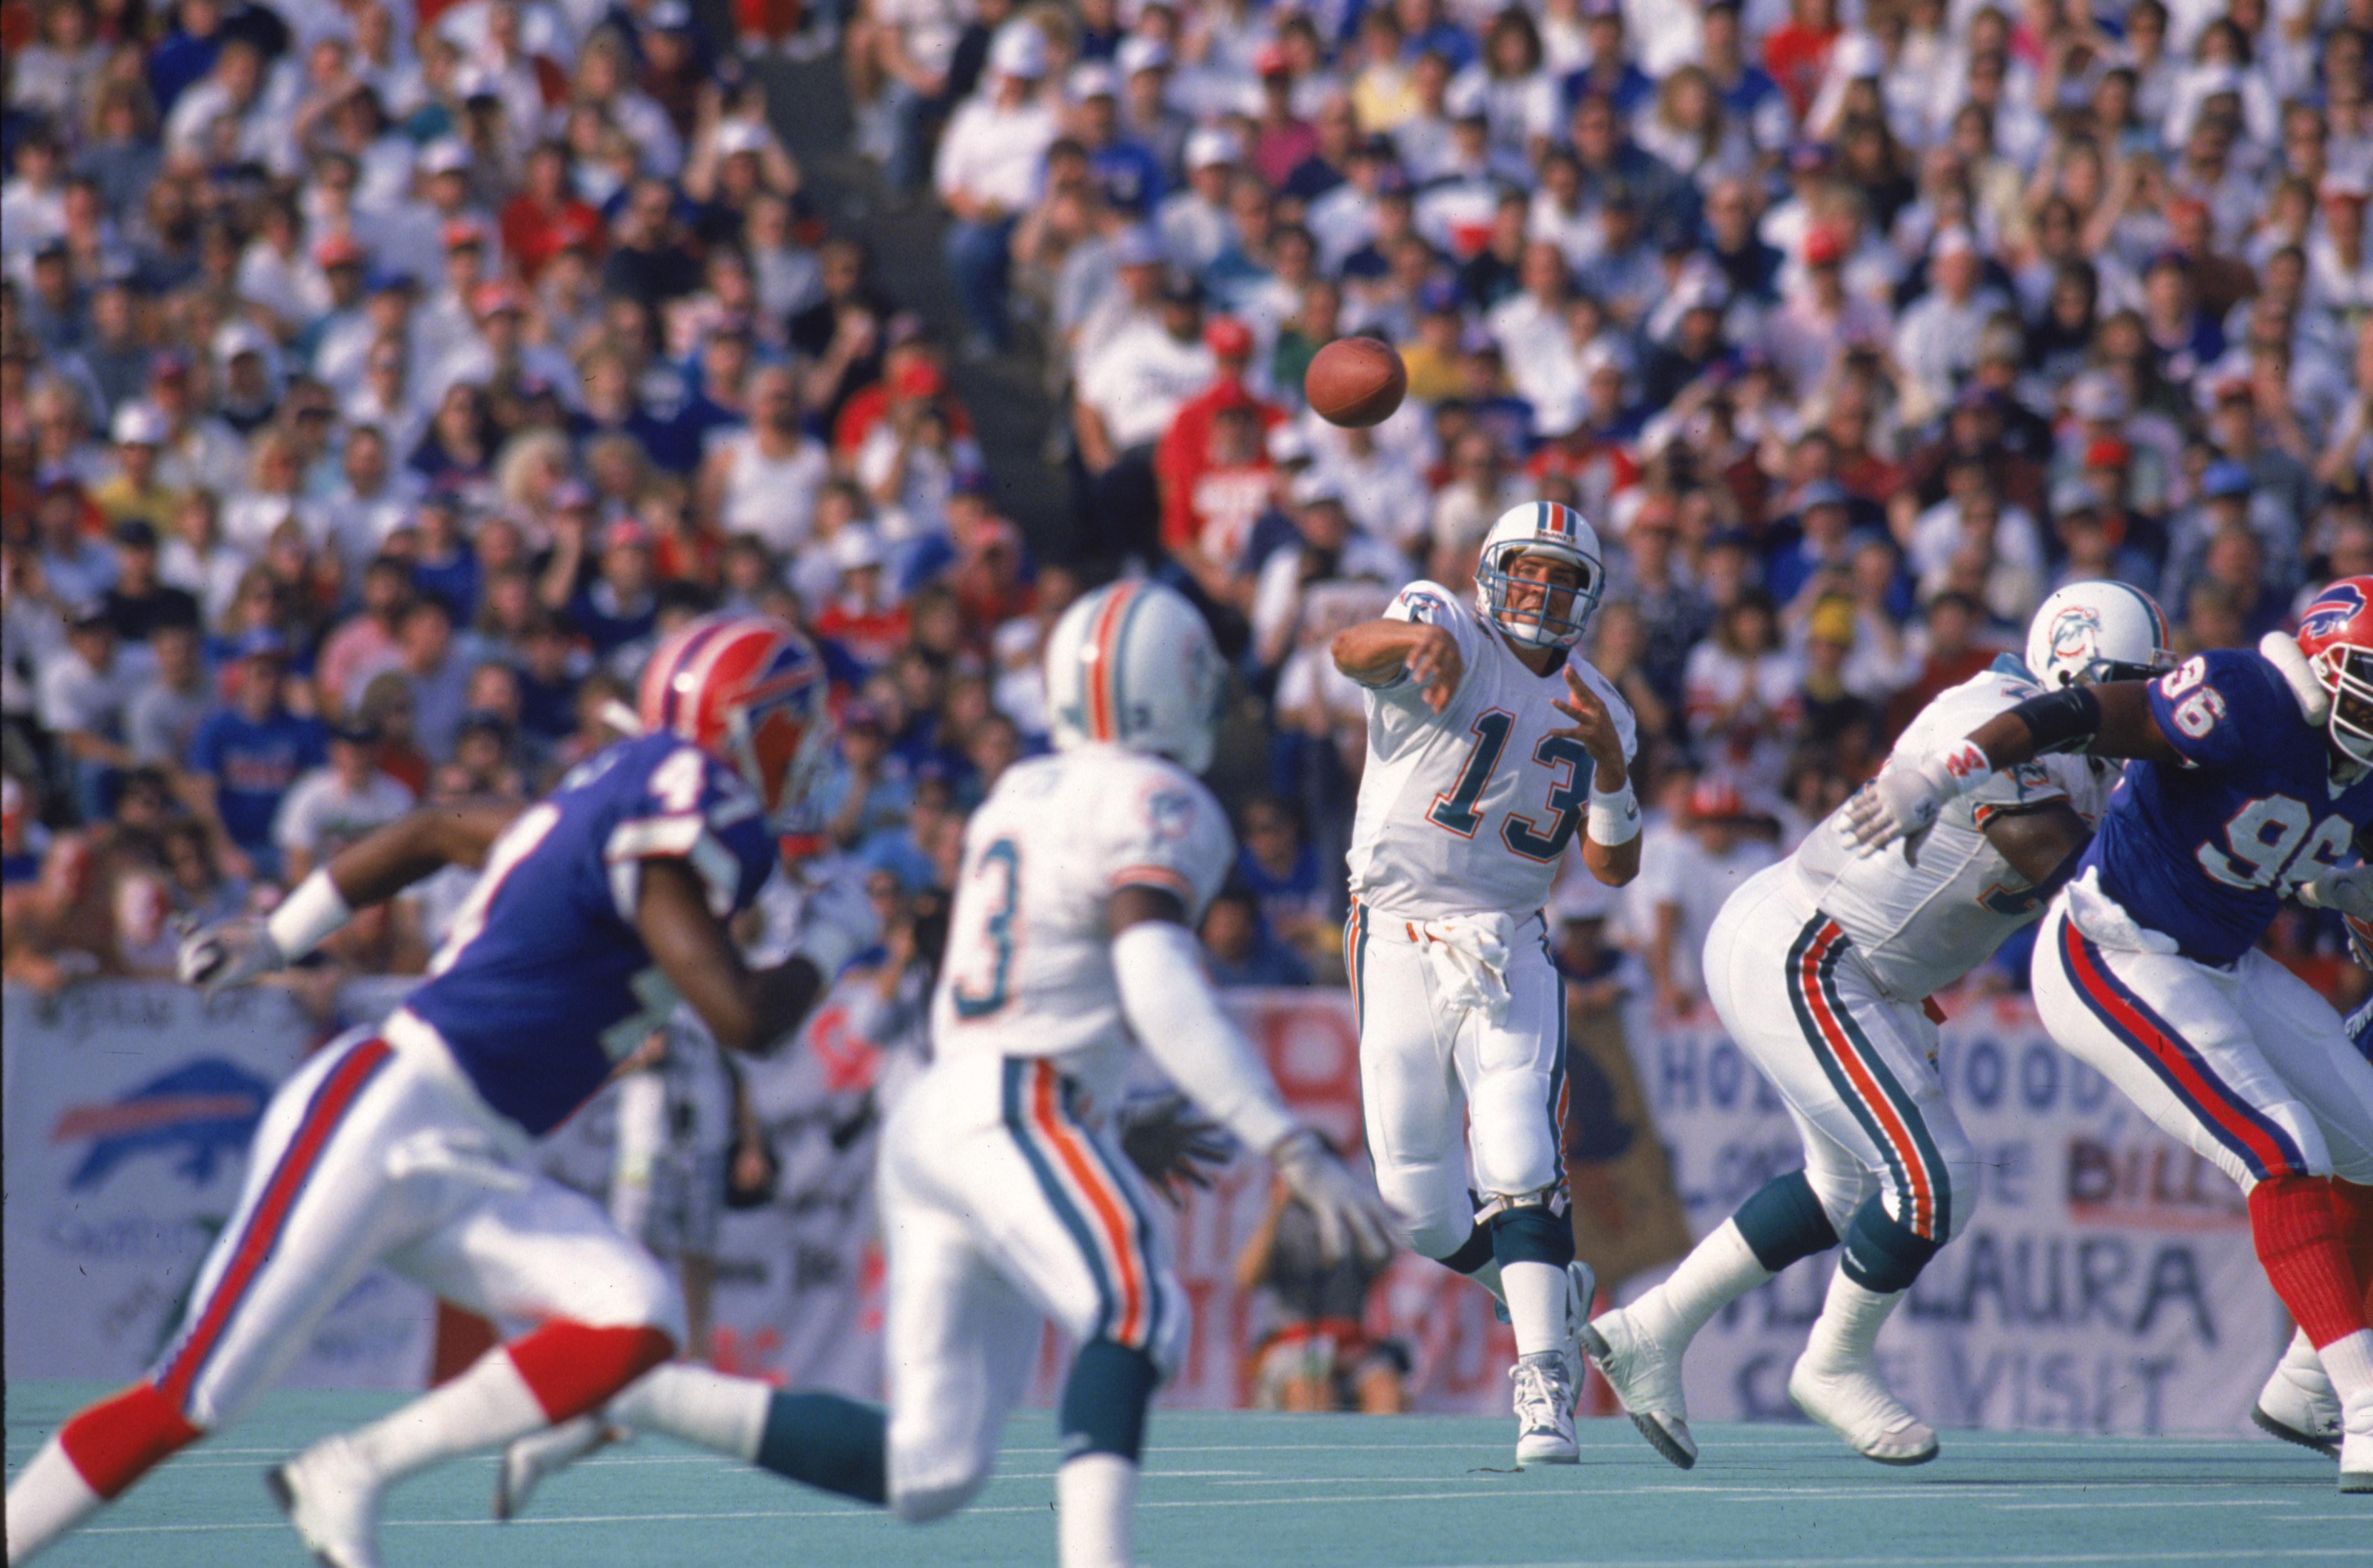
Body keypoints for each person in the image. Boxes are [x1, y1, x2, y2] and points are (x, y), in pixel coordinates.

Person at [490, 582, 1396, 1568]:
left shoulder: (1020, 792)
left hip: (950, 1114)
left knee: (932, 1467)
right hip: (1013, 1104)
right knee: (1137, 1309)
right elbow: (1154, 977)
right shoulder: (1155, 799)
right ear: (1166, 689)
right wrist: (1289, 1141)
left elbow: (1021, 985)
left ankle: (626, 1389)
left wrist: (1109, 1114)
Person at [3, 614, 846, 1565]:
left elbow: (437, 828)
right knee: (193, 1396)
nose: (815, 742)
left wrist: (279, 935)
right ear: (741, 728)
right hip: (387, 1115)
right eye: (796, 718)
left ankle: (354, 1468)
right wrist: (828, 945)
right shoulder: (667, 829)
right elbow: (744, 1017)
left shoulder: (614, 812)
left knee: (635, 1316)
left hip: (471, 1152)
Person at [1583, 582, 2175, 1470]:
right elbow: (2048, 854)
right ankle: (1831, 1362)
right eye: (2129, 686)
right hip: (1808, 949)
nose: (2140, 712)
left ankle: (1648, 1329)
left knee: (1843, 1190)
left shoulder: (2081, 754)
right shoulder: (1989, 713)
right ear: (2074, 669)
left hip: (1861, 969)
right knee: (1936, 1179)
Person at [1847, 575, 2373, 1492]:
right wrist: (1939, 773)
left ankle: (2303, 1383)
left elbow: (2274, 851)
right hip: (2111, 945)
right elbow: (2075, 712)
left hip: (2218, 960)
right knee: (2278, 1145)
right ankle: (2366, 1409)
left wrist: (2339, 891)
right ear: (2326, 662)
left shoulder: (2356, 769)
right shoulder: (2246, 696)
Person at [1326, 500, 1640, 1465]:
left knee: (1515, 1151)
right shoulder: (1447, 622)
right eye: (1527, 570)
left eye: (1561, 578)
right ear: (1492, 571)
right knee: (1419, 1206)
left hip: (1505, 939)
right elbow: (1347, 647)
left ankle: (1543, 1379)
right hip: (1393, 931)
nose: (1540, 591)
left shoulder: (1601, 703)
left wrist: (1614, 769)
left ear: (1586, 597)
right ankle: (1536, 1280)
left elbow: (1614, 869)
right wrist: (1411, 643)